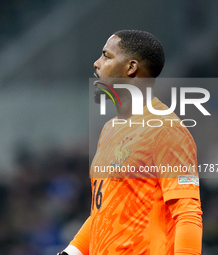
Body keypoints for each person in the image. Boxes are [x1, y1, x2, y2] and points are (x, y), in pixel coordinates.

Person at [58, 30, 203, 255]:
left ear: (131, 68)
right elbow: (104, 210)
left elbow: (187, 214)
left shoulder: (166, 130)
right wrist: (72, 252)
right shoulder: (109, 130)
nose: (96, 63)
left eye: (106, 56)